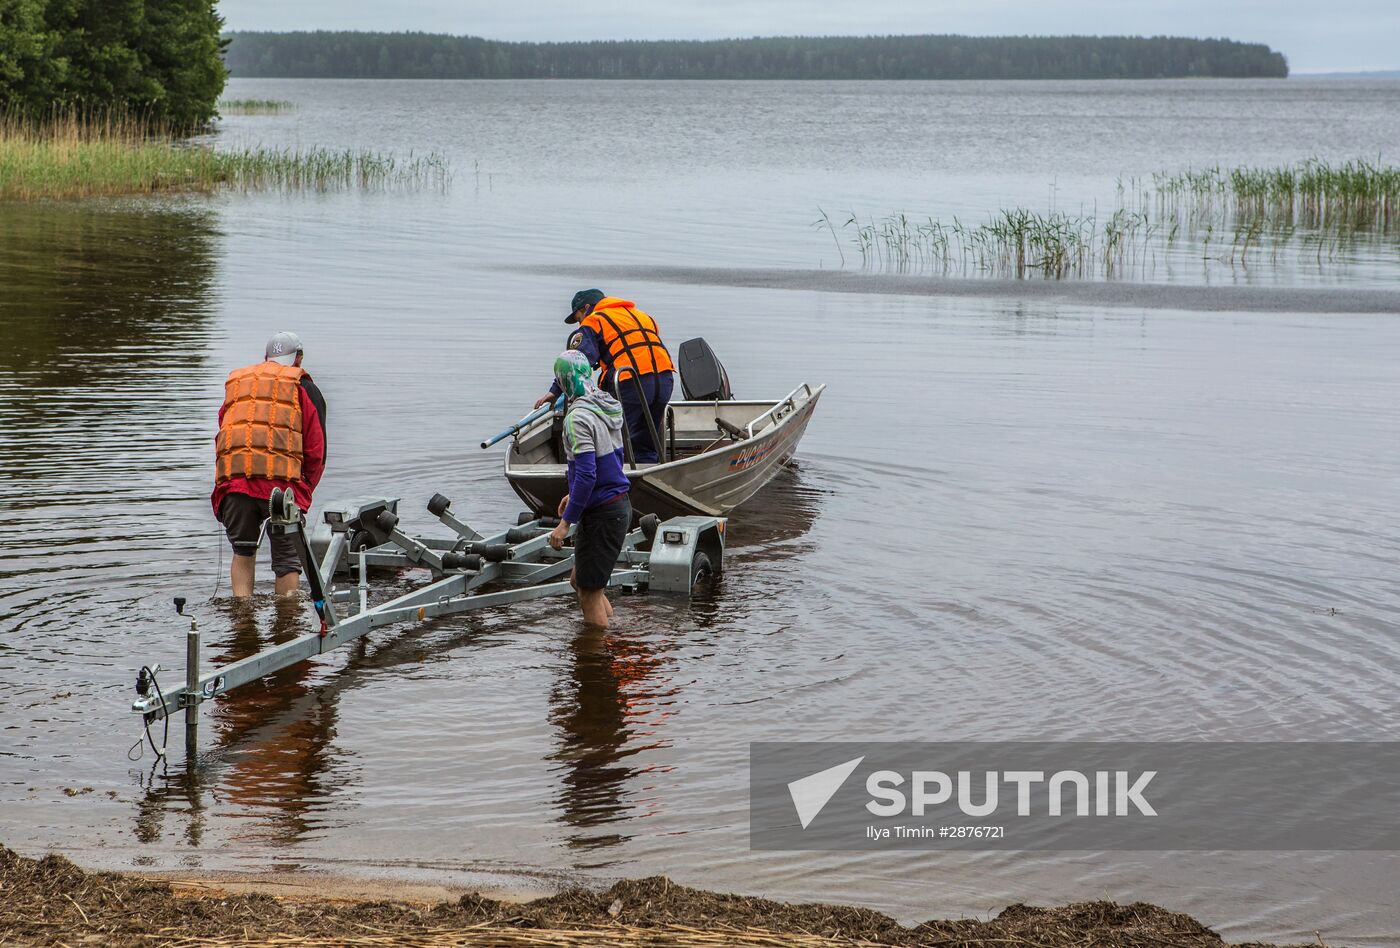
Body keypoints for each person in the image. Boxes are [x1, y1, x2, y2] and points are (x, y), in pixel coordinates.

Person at [211, 331, 327, 598]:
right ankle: (287, 628)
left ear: (266, 357)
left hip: (235, 483)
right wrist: (303, 491)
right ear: (298, 359)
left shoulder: (239, 384)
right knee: (287, 563)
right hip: (281, 489)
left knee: (243, 552)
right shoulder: (304, 387)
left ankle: (242, 619)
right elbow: (316, 450)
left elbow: (225, 432)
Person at [534, 289, 675, 464]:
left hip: (630, 382)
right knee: (645, 435)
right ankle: (648, 472)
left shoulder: (594, 320)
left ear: (586, 308)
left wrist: (555, 391)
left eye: (578, 318)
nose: (580, 324)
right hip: (664, 378)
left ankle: (611, 479)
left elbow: (578, 361)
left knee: (612, 433)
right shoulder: (641, 315)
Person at [547, 350, 631, 628]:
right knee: (579, 582)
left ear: (564, 381)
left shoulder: (577, 418)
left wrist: (565, 523)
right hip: (613, 503)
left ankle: (595, 660)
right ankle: (613, 630)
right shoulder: (606, 405)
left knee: (589, 593)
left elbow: (586, 474)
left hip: (604, 512)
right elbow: (608, 462)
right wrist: (574, 497)